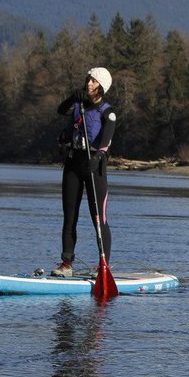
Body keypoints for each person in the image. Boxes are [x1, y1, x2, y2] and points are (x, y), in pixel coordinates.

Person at [52, 67, 117, 277]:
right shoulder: (78, 104)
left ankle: (103, 266)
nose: (88, 83)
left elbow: (106, 143)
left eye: (93, 81)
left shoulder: (107, 112)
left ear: (101, 87)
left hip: (94, 168)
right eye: (88, 80)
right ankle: (66, 264)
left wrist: (98, 157)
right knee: (69, 217)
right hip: (73, 164)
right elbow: (61, 110)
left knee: (99, 218)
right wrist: (72, 97)